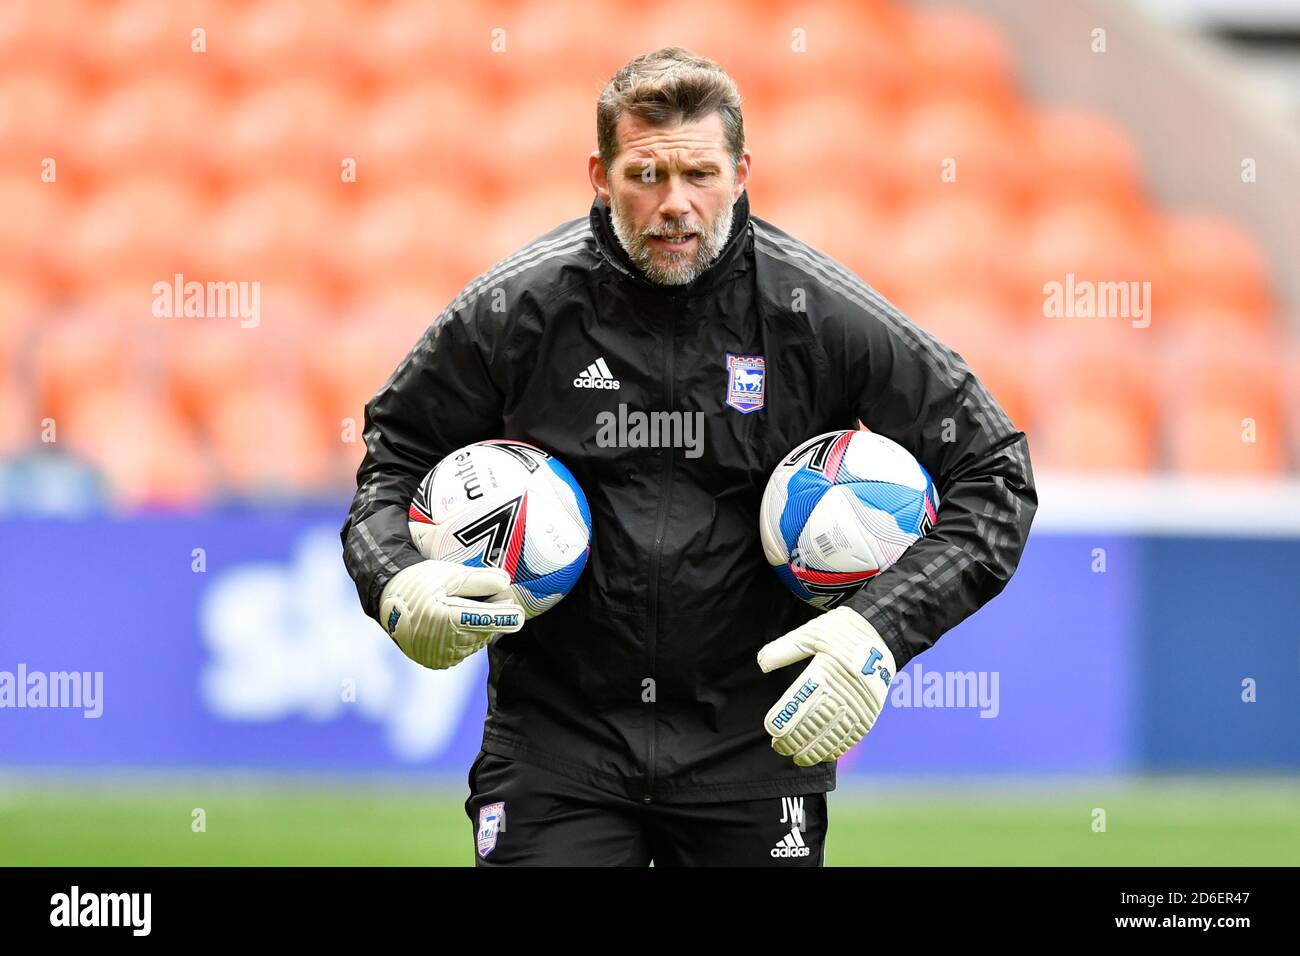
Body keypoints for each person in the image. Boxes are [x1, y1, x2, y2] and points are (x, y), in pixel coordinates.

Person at [340, 47, 1036, 866]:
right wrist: (394, 582)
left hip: (756, 747)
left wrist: (877, 632)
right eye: (646, 175)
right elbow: (393, 459)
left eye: (699, 175)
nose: (675, 204)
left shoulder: (817, 314)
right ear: (599, 175)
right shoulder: (515, 312)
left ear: (741, 173)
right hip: (557, 749)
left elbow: (995, 472)